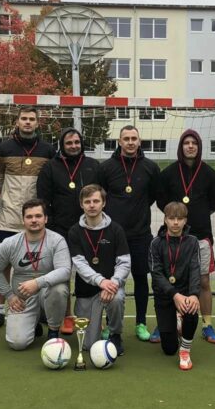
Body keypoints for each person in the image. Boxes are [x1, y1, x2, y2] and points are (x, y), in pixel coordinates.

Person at [0, 107, 55, 332]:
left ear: (37, 123)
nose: (27, 122)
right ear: (17, 122)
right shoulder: (3, 149)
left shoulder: (47, 150)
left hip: (36, 218)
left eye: (31, 119)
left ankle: (41, 308)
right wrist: (10, 199)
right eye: (24, 118)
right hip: (10, 217)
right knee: (4, 264)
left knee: (40, 263)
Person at [156, 129, 215, 344]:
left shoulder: (209, 173)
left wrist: (199, 214)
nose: (190, 146)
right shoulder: (168, 173)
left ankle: (207, 324)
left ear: (199, 146)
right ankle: (163, 322)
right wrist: (175, 219)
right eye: (187, 143)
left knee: (203, 281)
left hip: (201, 235)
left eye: (194, 143)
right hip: (173, 236)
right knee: (169, 279)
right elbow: (161, 201)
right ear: (181, 146)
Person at [98, 125, 161, 342]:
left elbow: (152, 196)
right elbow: (101, 197)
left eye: (134, 138)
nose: (131, 142)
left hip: (141, 234)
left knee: (141, 278)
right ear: (119, 141)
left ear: (139, 141)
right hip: (113, 235)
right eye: (126, 139)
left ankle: (141, 322)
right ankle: (111, 323)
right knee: (112, 279)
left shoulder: (150, 167)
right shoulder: (106, 167)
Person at [37, 126, 101, 335]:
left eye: (76, 142)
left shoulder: (93, 166)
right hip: (60, 230)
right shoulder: (50, 167)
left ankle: (92, 315)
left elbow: (101, 197)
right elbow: (43, 199)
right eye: (69, 143)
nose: (73, 146)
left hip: (88, 229)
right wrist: (51, 228)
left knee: (89, 272)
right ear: (62, 145)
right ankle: (66, 315)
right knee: (62, 273)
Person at [0, 199, 71, 351]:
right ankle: (33, 321)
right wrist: (9, 296)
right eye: (29, 216)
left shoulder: (57, 240)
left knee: (59, 289)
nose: (34, 220)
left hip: (48, 293)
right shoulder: (10, 243)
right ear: (23, 220)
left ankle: (53, 331)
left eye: (38, 216)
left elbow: (65, 270)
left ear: (46, 218)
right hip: (23, 298)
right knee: (17, 343)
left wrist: (37, 283)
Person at [67, 184, 130, 355]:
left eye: (96, 201)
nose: (92, 205)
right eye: (87, 202)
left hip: (111, 287)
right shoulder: (74, 231)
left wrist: (113, 283)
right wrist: (100, 281)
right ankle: (96, 328)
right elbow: (79, 264)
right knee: (88, 345)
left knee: (116, 299)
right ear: (81, 204)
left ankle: (115, 334)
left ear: (104, 203)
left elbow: (124, 262)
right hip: (87, 289)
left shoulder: (116, 229)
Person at [148, 202, 202, 370]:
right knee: (169, 349)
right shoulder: (156, 243)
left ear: (185, 221)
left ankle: (185, 350)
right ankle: (177, 323)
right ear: (165, 220)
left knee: (191, 308)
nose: (176, 222)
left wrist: (194, 294)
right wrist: (174, 295)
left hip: (185, 293)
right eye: (172, 218)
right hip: (165, 295)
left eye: (180, 219)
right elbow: (156, 274)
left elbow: (195, 269)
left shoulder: (193, 242)